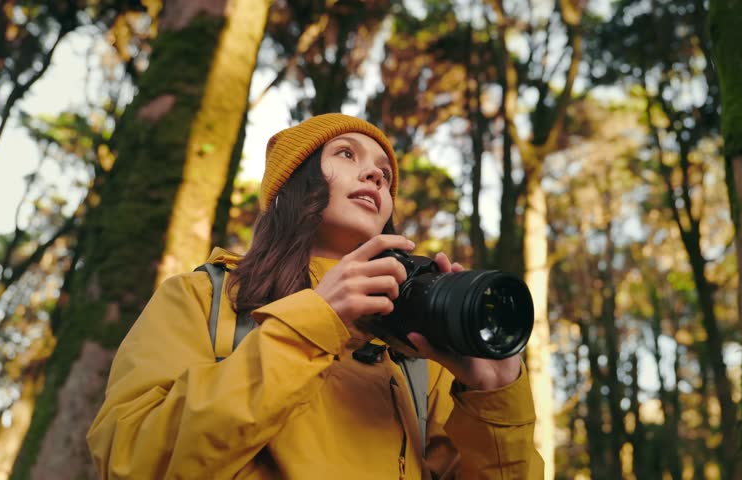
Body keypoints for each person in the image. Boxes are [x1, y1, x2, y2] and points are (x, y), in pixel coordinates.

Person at [87, 113, 544, 479]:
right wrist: (315, 323)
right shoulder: (204, 297)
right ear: (293, 182)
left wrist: (493, 401)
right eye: (346, 153)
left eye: (385, 174)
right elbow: (131, 460)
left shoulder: (419, 351)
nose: (375, 175)